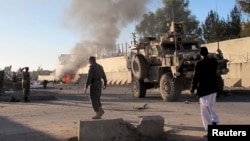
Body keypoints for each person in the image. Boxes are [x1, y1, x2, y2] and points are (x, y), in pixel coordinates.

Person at [190, 47, 220, 137]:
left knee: (205, 111)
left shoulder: (199, 64)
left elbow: (196, 78)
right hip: (214, 88)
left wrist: (192, 89)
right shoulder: (213, 62)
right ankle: (214, 122)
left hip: (204, 90)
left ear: (200, 54)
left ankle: (210, 130)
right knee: (211, 107)